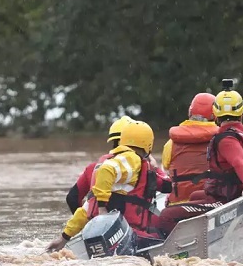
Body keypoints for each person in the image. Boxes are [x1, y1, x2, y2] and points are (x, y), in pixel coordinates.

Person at [47, 120, 164, 252]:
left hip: (104, 233)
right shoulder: (137, 166)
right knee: (161, 235)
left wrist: (68, 236)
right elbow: (167, 185)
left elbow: (77, 201)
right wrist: (155, 168)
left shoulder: (95, 167)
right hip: (128, 233)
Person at [64, 116, 133, 213]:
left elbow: (72, 199)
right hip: (131, 224)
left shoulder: (93, 168)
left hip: (98, 223)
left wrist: (86, 223)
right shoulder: (143, 167)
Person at [160, 92, 219, 204]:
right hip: (209, 202)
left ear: (190, 112)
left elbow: (166, 167)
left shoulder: (171, 143)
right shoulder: (220, 140)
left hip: (178, 203)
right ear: (215, 115)